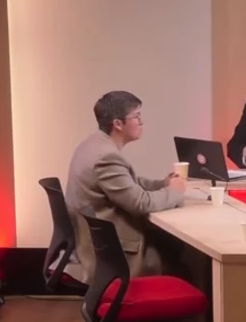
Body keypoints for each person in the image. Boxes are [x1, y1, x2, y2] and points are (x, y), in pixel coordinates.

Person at [64, 91, 186, 283]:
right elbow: (140, 203)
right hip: (114, 251)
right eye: (136, 117)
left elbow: (127, 184)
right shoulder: (106, 157)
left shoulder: (93, 144)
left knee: (174, 244)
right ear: (118, 124)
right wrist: (175, 191)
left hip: (97, 241)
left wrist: (162, 185)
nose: (141, 122)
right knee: (190, 255)